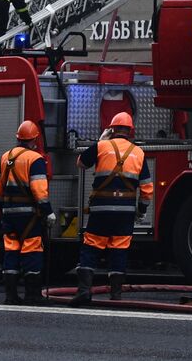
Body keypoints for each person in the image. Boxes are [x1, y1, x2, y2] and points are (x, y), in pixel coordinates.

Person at [72, 111, 153, 305]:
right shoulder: (139, 153)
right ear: (130, 131)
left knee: (91, 247)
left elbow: (81, 164)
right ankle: (116, 295)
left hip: (101, 210)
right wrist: (141, 210)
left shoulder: (101, 146)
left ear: (112, 129)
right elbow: (147, 188)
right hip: (125, 212)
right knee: (119, 249)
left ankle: (84, 291)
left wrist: (100, 141)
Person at [0, 120, 54, 306]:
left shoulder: (6, 157)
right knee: (32, 251)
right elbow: (39, 190)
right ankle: (33, 295)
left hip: (8, 213)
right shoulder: (34, 159)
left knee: (11, 251)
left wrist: (3, 209)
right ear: (35, 139)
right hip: (29, 215)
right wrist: (47, 212)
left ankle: (10, 295)